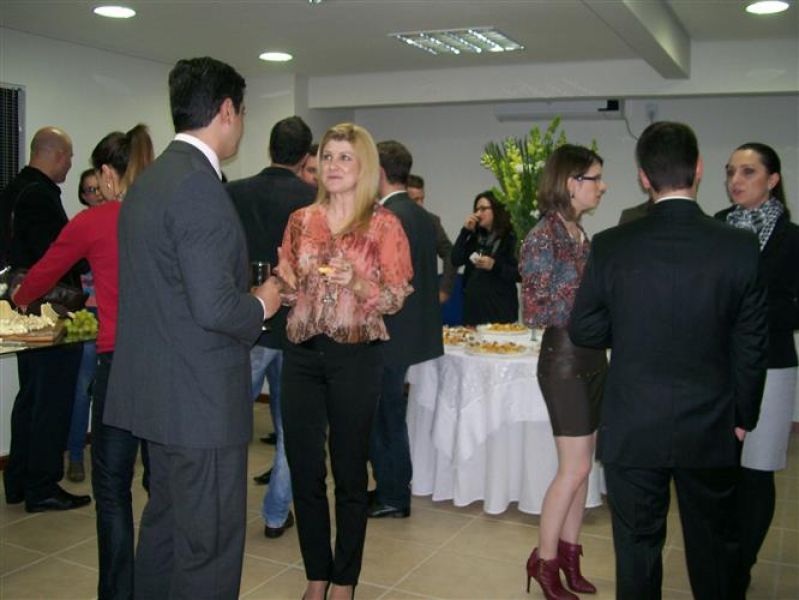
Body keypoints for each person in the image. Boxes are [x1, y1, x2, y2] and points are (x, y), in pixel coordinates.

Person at [103, 57, 282, 599]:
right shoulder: (199, 187)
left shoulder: (151, 181)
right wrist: (264, 302)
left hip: (157, 394)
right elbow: (214, 308)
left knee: (165, 532)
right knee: (208, 547)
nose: (242, 124)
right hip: (198, 403)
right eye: (243, 112)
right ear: (226, 111)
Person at [569, 121, 769, 600]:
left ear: (644, 177)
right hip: (712, 419)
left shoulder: (612, 244)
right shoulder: (739, 246)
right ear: (698, 168)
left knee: (637, 548)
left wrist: (630, 327)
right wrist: (744, 415)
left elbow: (584, 329)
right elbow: (751, 343)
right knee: (714, 545)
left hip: (633, 419)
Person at [13, 124, 154, 600]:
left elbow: (40, 277)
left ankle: (118, 592)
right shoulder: (161, 215)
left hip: (118, 365)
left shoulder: (94, 222)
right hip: (162, 366)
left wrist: (19, 295)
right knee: (162, 485)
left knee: (112, 489)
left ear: (109, 174)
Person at [277, 123, 413, 600]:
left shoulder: (384, 225)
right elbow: (290, 286)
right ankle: (317, 573)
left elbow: (395, 297)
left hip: (356, 356)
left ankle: (344, 581)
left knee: (351, 473)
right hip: (301, 353)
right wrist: (285, 285)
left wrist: (356, 281)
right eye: (327, 157)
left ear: (364, 166)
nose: (333, 166)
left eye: (344, 158)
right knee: (304, 468)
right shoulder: (300, 220)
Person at [519, 144, 608, 600]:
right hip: (565, 360)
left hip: (592, 358)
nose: (602, 186)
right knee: (572, 469)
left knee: (583, 469)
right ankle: (545, 561)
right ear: (572, 183)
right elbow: (535, 308)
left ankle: (570, 557)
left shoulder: (579, 233)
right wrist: (593, 301)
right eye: (595, 177)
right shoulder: (543, 236)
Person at [226, 115, 316, 539]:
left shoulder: (234, 193)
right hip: (298, 329)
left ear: (269, 148)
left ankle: (221, 507)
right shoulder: (315, 200)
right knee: (292, 429)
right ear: (305, 155)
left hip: (249, 322)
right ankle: (277, 514)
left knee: (227, 424)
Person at [716, 142, 799, 590]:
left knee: (756, 471)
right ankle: (720, 551)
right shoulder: (715, 227)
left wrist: (750, 312)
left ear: (773, 180)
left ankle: (741, 564)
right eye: (731, 171)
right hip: (716, 366)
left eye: (748, 172)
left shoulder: (793, 238)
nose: (736, 180)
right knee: (718, 470)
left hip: (771, 365)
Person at [1, 126, 90, 513]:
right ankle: (42, 486)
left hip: (21, 311)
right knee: (52, 398)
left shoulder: (13, 191)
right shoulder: (40, 196)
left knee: (31, 396)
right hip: (50, 312)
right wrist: (86, 258)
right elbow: (54, 256)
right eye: (68, 156)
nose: (70, 164)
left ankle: (18, 480)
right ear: (54, 154)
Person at [368, 143, 443, 520]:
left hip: (390, 331)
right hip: (412, 329)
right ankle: (392, 486)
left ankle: (393, 494)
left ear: (379, 172)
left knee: (385, 418)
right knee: (390, 414)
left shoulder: (388, 217)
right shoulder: (420, 214)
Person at [65, 168, 106, 483]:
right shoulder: (79, 225)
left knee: (112, 387)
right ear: (82, 195)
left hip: (116, 313)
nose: (94, 194)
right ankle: (76, 455)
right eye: (88, 190)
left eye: (98, 188)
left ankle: (107, 453)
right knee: (83, 388)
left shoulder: (120, 222)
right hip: (87, 315)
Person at [451, 190, 519, 325]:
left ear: (496, 210)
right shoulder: (476, 237)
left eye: (483, 209)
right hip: (473, 312)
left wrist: (494, 266)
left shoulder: (510, 238)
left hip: (500, 312)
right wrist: (465, 232)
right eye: (476, 210)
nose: (477, 214)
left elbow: (519, 274)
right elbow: (456, 259)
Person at [407, 173, 457, 303]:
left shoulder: (431, 221)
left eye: (422, 199)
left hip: (426, 294)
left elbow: (449, 253)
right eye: (415, 200)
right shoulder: (391, 221)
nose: (420, 204)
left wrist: (444, 289)